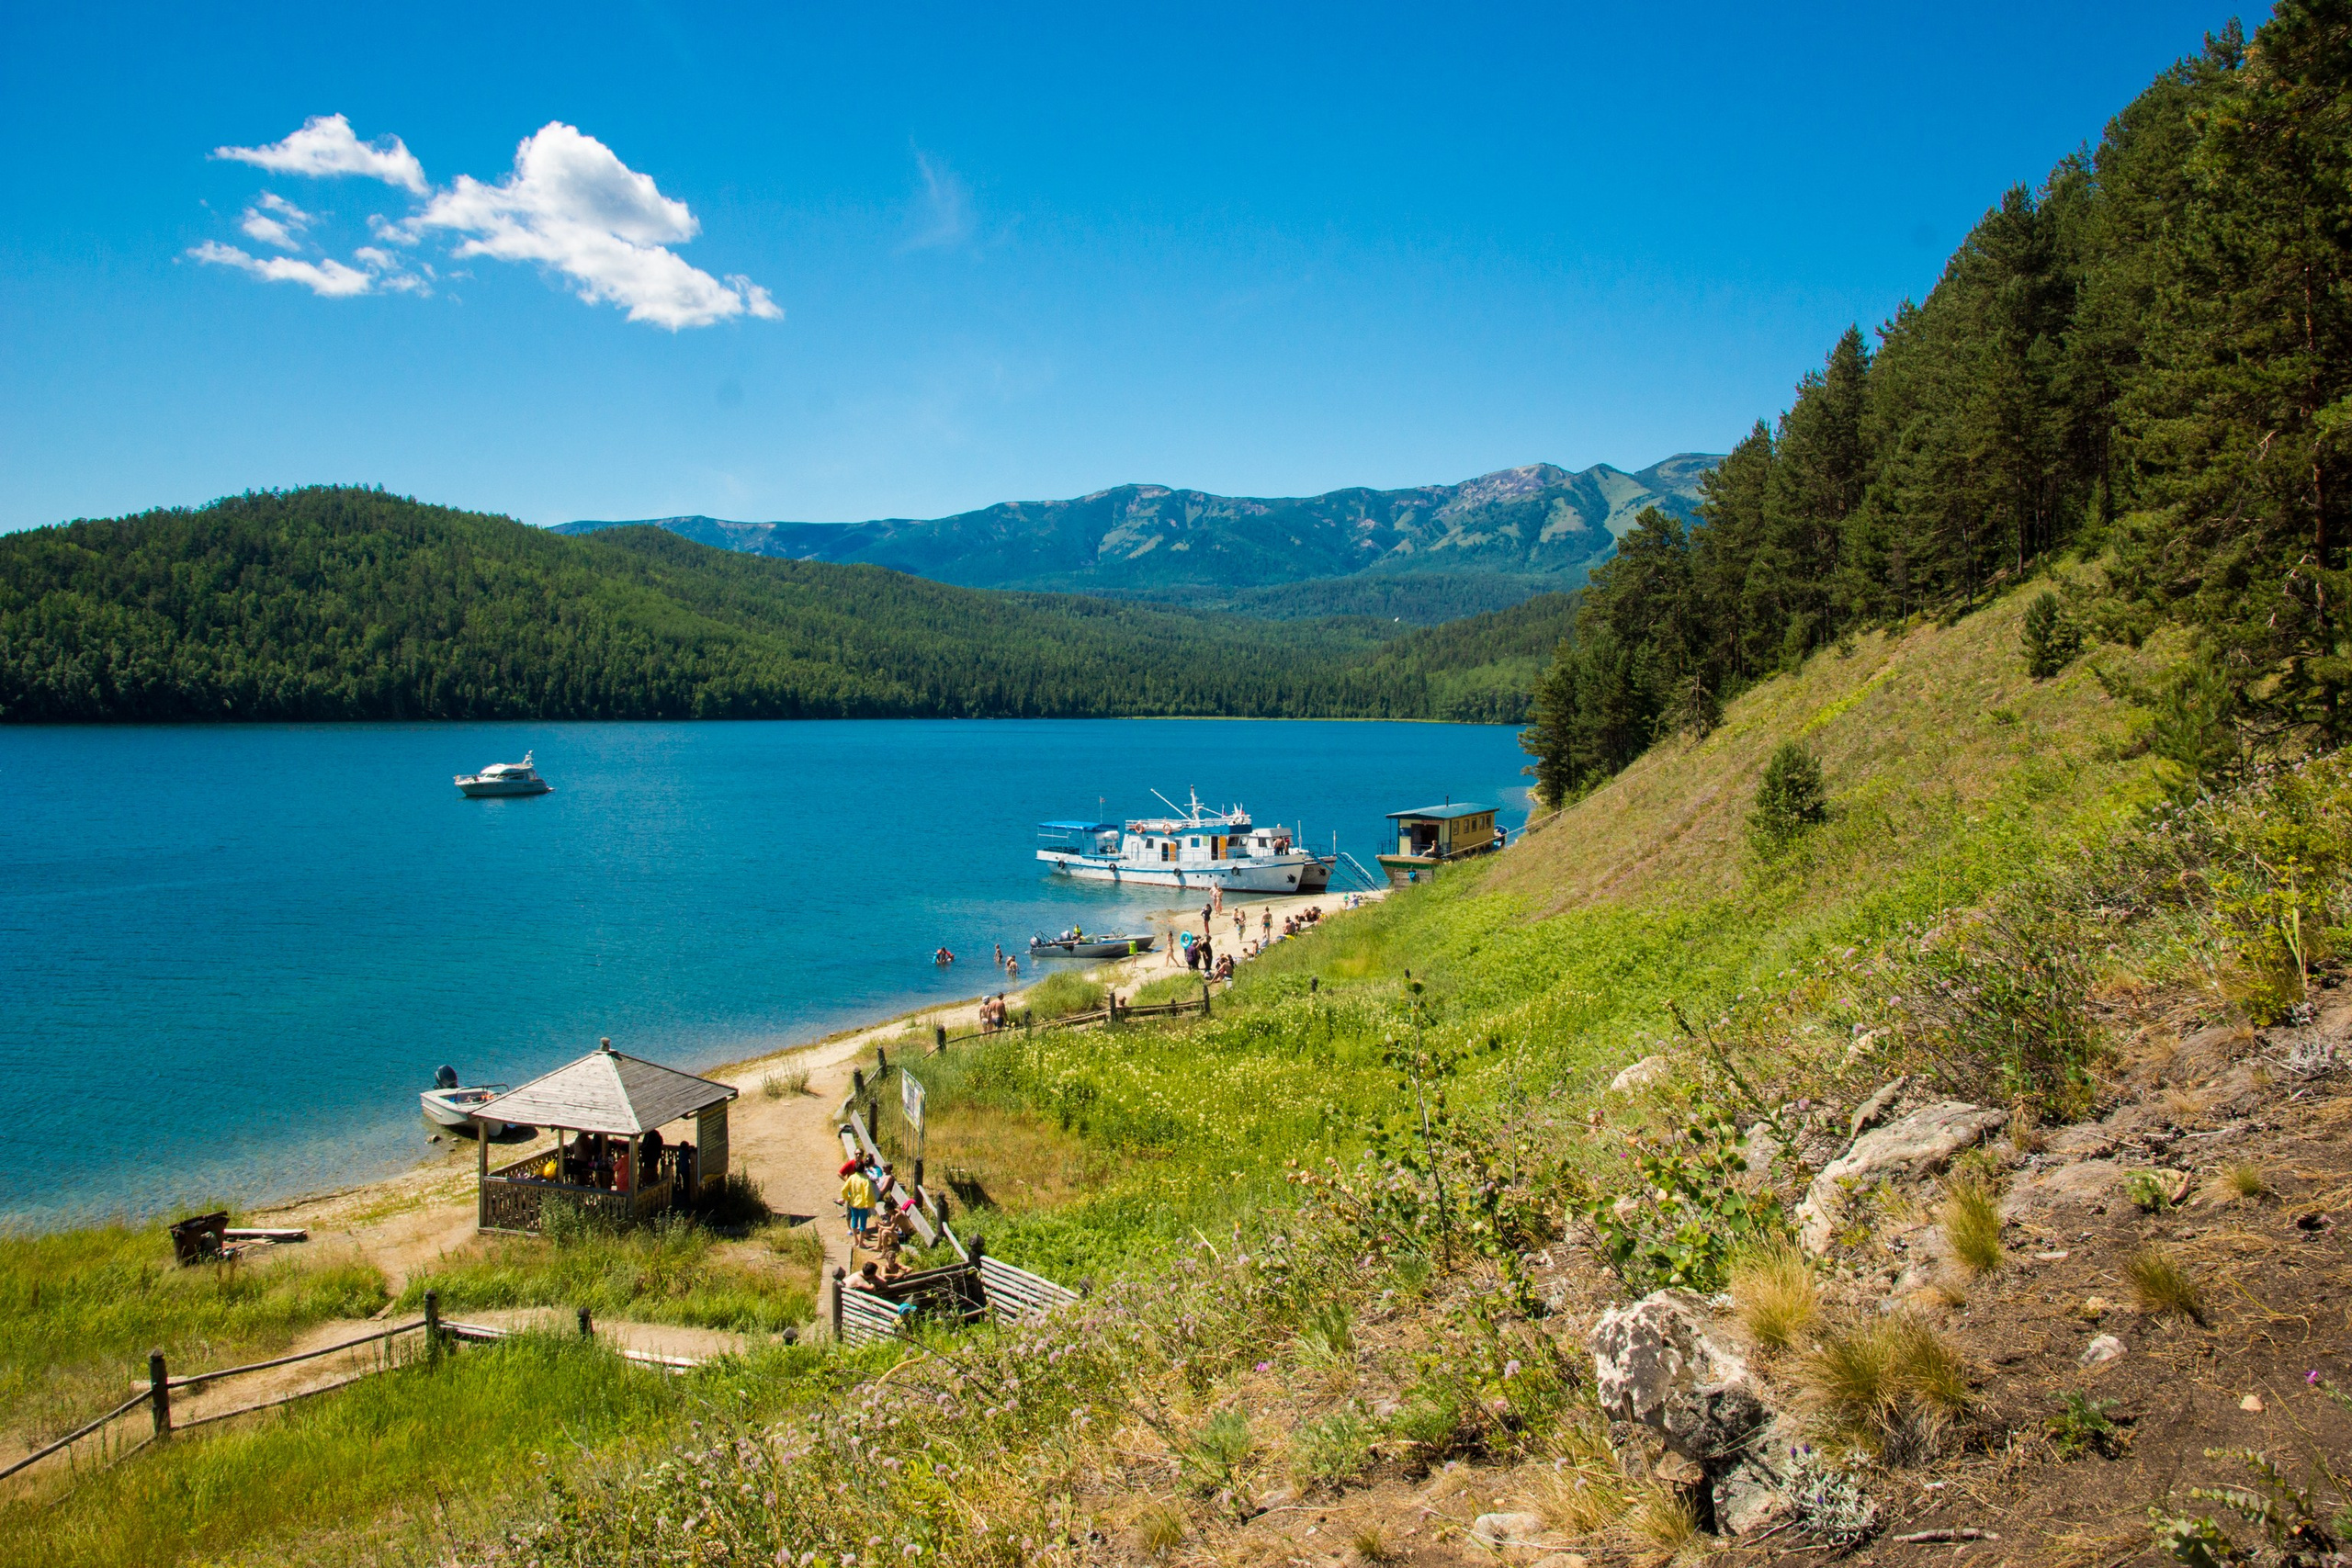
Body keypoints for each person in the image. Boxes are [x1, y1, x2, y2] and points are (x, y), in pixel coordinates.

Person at [841, 1163, 876, 1241]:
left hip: (853, 1203)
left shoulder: (851, 1178)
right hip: (863, 1204)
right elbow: (868, 1192)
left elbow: (844, 1189)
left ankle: (856, 1240)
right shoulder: (866, 1179)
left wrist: (847, 1198)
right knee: (863, 1223)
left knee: (854, 1221)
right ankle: (861, 1242)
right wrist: (868, 1203)